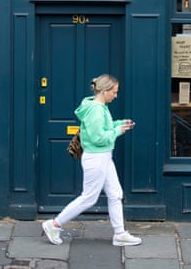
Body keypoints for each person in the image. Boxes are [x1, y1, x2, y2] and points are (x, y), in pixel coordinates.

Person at [42, 74, 142, 247]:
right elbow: (98, 137)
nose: (116, 95)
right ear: (104, 91)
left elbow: (103, 127)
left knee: (115, 194)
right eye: (114, 92)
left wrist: (119, 123)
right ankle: (54, 224)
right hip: (97, 157)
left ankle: (120, 233)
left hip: (103, 156)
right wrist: (118, 131)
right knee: (89, 198)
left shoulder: (99, 107)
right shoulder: (96, 109)